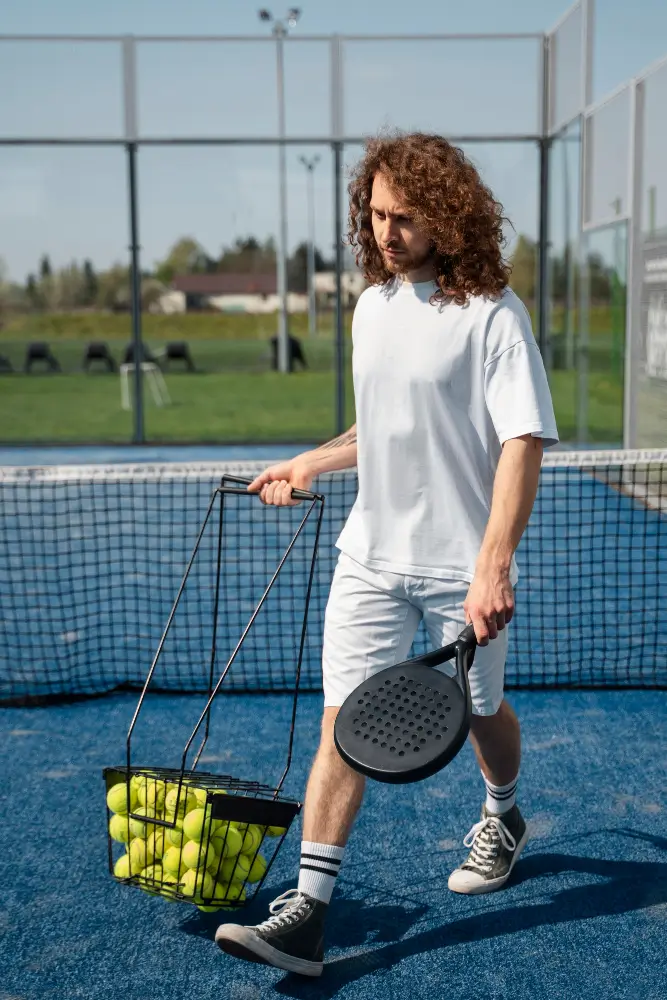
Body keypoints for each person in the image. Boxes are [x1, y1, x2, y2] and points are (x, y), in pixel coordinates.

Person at [215, 132, 558, 977]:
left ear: (448, 216)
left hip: (459, 568)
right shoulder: (372, 307)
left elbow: (521, 440)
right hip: (369, 555)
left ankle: (504, 812)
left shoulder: (493, 317)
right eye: (374, 215)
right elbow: (386, 427)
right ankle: (308, 914)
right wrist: (310, 460)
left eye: (403, 217)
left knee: (481, 712)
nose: (385, 232)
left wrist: (493, 565)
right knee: (341, 719)